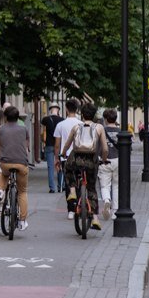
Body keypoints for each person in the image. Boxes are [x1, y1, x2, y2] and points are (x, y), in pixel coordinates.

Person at [60, 102, 108, 231]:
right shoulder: (99, 128)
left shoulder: (76, 127)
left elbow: (67, 144)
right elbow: (104, 148)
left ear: (82, 114)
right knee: (92, 188)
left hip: (76, 159)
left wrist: (63, 153)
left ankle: (73, 192)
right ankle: (95, 218)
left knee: (68, 169)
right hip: (91, 160)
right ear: (94, 115)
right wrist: (103, 160)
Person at [0, 105, 31, 231]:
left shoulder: (1, 130)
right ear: (17, 117)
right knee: (22, 191)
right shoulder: (24, 129)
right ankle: (22, 221)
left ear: (5, 117)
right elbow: (27, 147)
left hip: (6, 163)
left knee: (4, 174)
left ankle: (0, 191)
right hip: (21, 163)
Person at [53, 99, 83, 218]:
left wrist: (56, 159)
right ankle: (80, 207)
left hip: (66, 158)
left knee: (69, 183)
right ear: (77, 109)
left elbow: (57, 145)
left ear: (66, 109)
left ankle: (71, 210)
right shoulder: (81, 124)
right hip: (80, 157)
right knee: (79, 182)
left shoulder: (60, 125)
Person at [98, 109, 121, 221]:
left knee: (105, 186)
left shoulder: (101, 130)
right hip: (118, 160)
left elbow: (97, 147)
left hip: (104, 160)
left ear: (105, 119)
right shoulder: (121, 131)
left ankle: (107, 200)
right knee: (116, 186)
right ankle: (115, 212)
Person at [41, 105, 64, 193]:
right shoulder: (62, 120)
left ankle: (52, 188)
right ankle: (60, 186)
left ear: (50, 111)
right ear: (58, 110)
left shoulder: (46, 119)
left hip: (49, 144)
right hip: (59, 145)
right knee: (60, 165)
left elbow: (43, 129)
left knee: (50, 166)